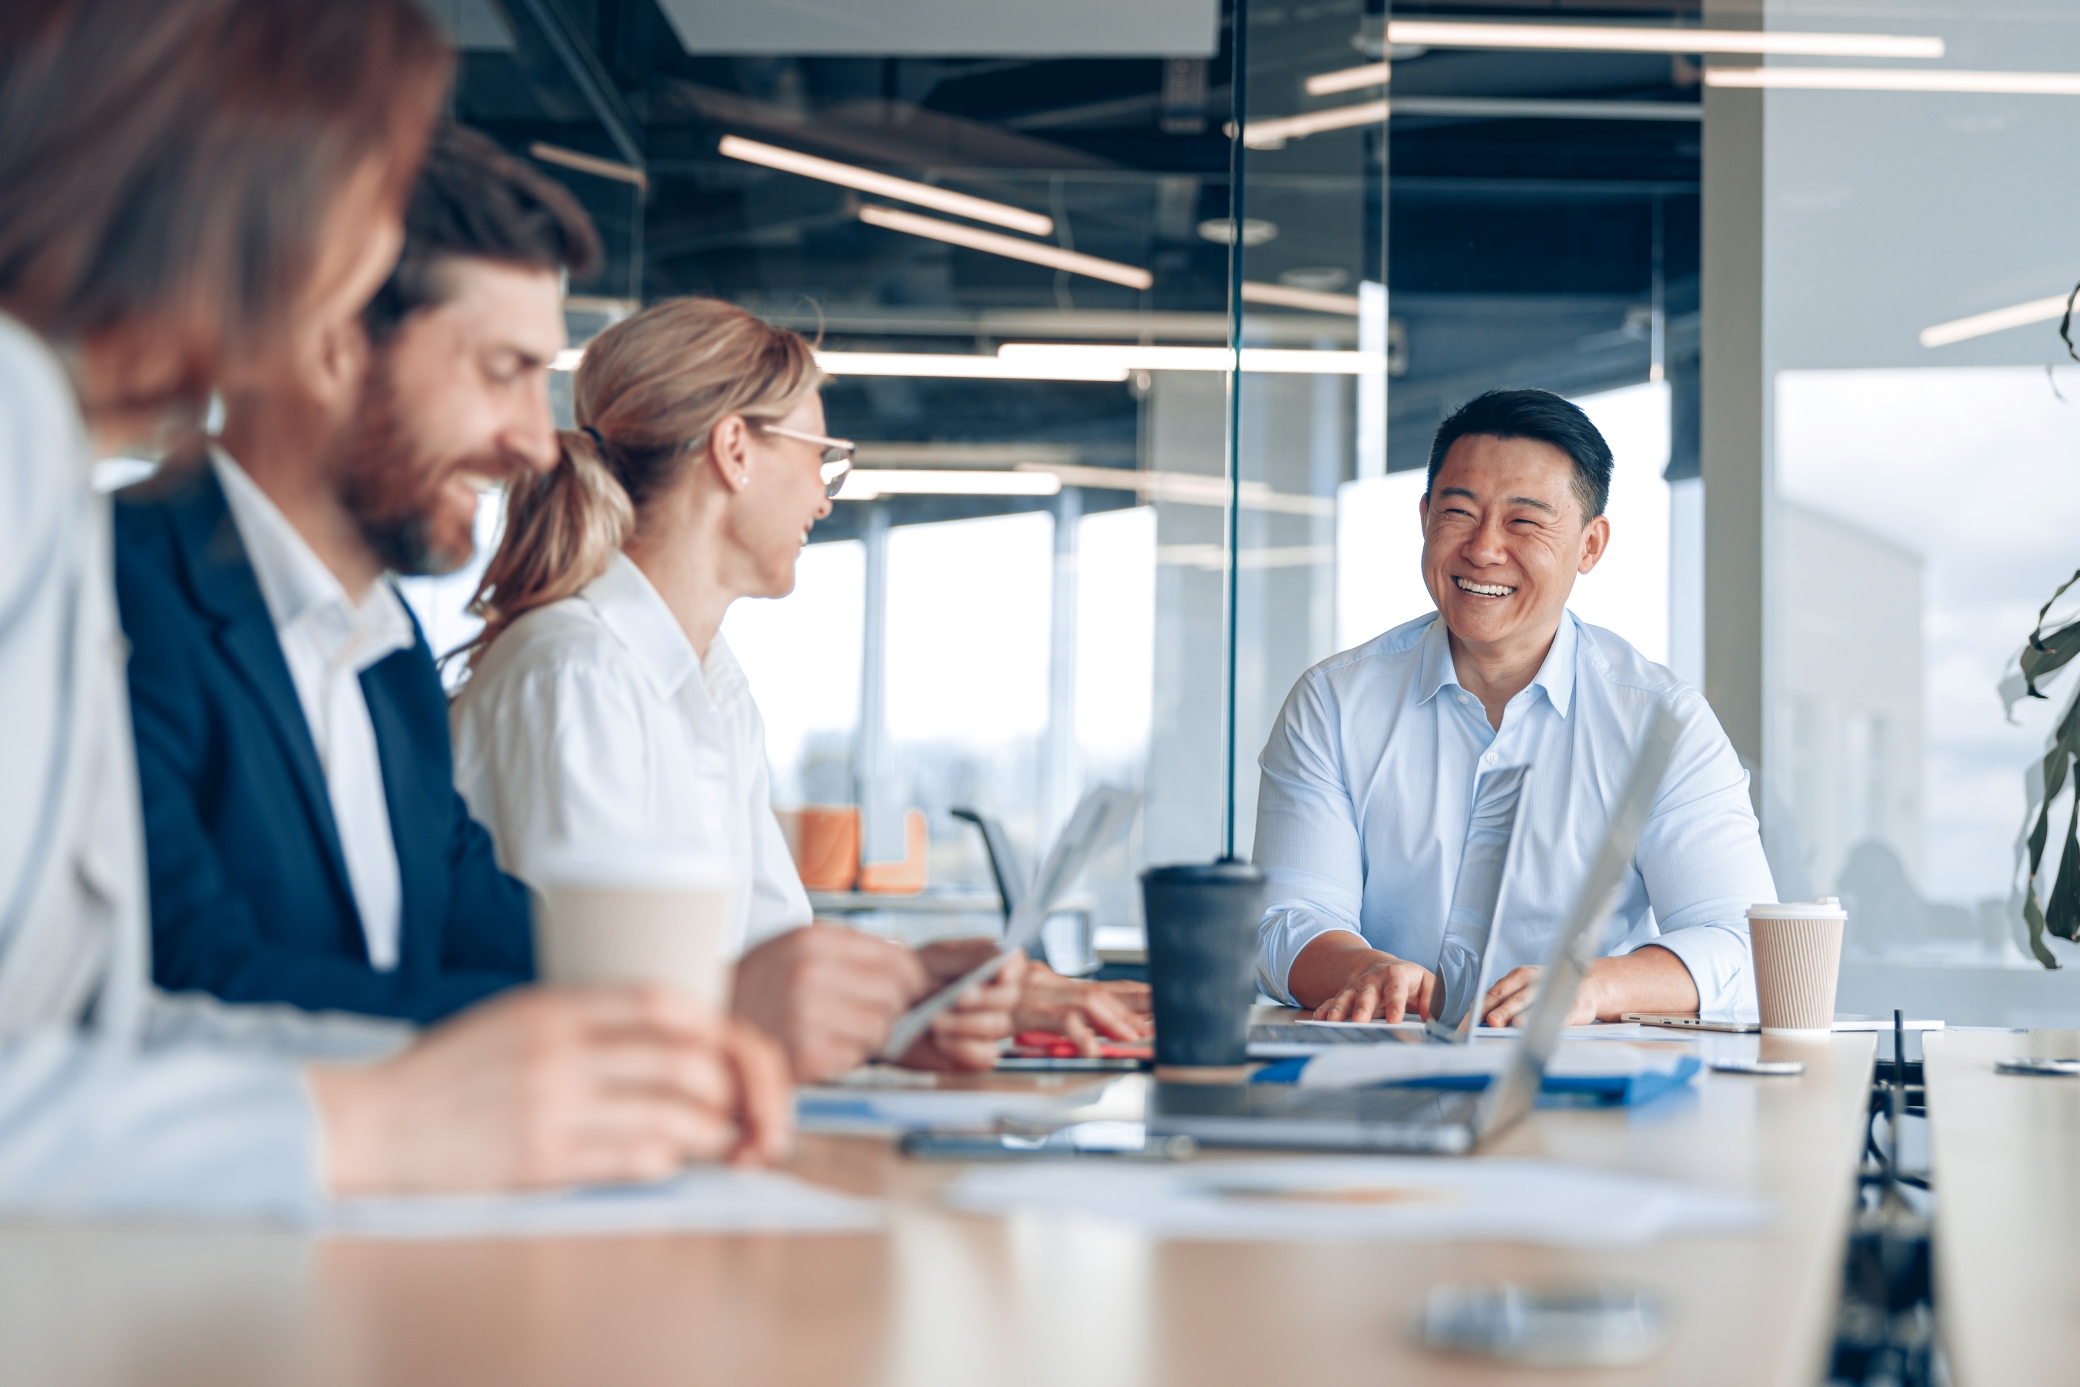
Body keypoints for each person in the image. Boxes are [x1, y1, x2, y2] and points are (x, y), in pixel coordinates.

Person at [0, 0, 788, 1215]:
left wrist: (655, 1026)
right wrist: (374, 1117)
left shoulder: (377, 648)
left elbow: (119, 1029)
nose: (351, 259)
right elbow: (181, 986)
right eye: (355, 196)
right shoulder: (48, 478)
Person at [449, 297, 1036, 1081]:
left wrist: (929, 995)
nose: (825, 498)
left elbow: (772, 952)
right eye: (819, 456)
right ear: (734, 449)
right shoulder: (574, 673)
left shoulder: (714, 687)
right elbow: (611, 1002)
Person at [114, 124, 589, 1024]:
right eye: (504, 373)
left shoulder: (386, 646)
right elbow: (195, 985)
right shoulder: (117, 597)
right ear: (334, 343)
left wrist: (718, 1008)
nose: (535, 442)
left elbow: (482, 930)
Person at [1253, 388, 1775, 1026]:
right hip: (1380, 1076)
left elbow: (1744, 947)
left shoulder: (1661, 722)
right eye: (1459, 512)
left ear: (1590, 546)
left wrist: (1590, 987)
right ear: (1424, 520)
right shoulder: (1334, 704)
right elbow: (1285, 920)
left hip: (1585, 1093)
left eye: (1524, 521)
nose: (1484, 549)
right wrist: (1365, 971)